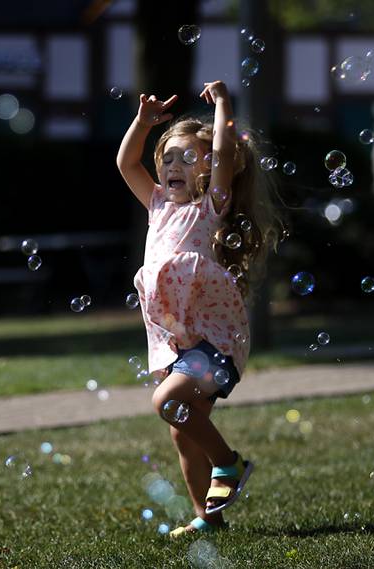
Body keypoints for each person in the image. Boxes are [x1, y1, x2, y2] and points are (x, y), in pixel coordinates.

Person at [116, 80, 280, 537]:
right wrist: (143, 123)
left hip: (217, 340)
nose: (174, 165)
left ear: (208, 172)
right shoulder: (157, 205)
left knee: (167, 403)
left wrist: (225, 104)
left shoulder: (212, 207)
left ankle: (229, 464)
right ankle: (209, 518)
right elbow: (126, 162)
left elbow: (226, 153)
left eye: (189, 158)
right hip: (183, 342)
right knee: (183, 430)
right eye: (168, 156)